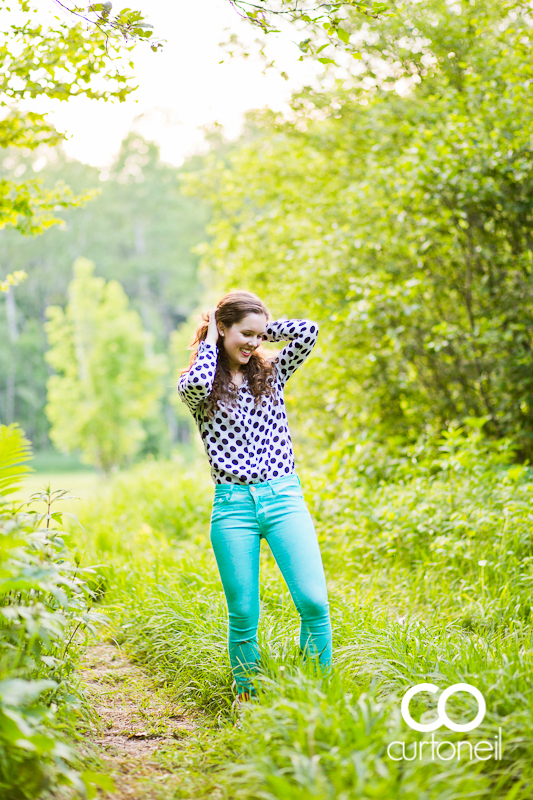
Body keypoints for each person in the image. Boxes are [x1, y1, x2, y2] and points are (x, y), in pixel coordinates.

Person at [177, 290, 332, 706]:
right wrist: (212, 339)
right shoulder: (199, 385)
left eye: (260, 336)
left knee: (314, 602)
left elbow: (308, 332)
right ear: (221, 329)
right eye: (245, 334)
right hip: (232, 507)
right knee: (244, 614)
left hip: (283, 498)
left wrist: (262, 329)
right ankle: (248, 698)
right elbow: (194, 381)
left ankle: (313, 695)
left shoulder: (272, 372)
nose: (254, 344)